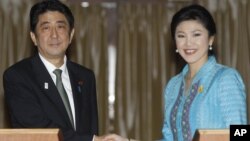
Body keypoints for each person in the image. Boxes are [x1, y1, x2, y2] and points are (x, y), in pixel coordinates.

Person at [3, 0, 104, 141]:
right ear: (33, 37)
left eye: (60, 27)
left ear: (71, 34)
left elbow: (91, 128)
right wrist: (91, 140)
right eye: (46, 28)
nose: (54, 35)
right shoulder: (18, 76)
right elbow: (38, 130)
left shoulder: (85, 77)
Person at [162, 4, 247, 141]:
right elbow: (168, 138)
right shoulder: (173, 85)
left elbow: (241, 133)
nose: (188, 43)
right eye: (181, 36)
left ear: (210, 39)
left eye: (196, 34)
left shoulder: (226, 78)